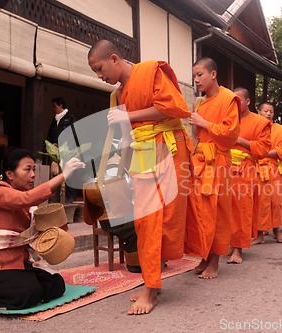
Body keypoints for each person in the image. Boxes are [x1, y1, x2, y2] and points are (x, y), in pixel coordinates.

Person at [88, 39, 192, 315]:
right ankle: (152, 284)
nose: (101, 77)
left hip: (167, 148)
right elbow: (127, 130)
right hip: (143, 153)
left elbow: (174, 108)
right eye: (95, 73)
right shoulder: (119, 94)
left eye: (100, 69)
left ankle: (151, 288)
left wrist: (128, 116)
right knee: (147, 219)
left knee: (159, 217)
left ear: (113, 58)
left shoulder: (149, 71)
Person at [0, 149, 85, 310]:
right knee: (28, 294)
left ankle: (11, 291)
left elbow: (35, 222)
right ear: (10, 174)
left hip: (15, 263)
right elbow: (26, 199)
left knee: (56, 285)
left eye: (34, 169)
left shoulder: (25, 198)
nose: (33, 174)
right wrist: (63, 176)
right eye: (27, 169)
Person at [185, 57, 240, 279]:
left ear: (213, 74)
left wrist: (204, 123)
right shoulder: (199, 103)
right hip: (199, 163)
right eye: (194, 76)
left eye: (200, 75)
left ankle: (215, 261)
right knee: (200, 212)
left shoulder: (229, 99)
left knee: (217, 212)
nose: (196, 80)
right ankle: (204, 256)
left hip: (218, 162)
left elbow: (231, 134)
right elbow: (195, 136)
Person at [227, 87, 271, 264]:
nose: (236, 104)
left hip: (246, 169)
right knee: (226, 209)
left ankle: (238, 249)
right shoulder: (228, 119)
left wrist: (240, 140)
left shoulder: (259, 122)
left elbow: (263, 149)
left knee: (242, 208)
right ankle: (229, 243)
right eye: (233, 100)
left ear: (248, 102)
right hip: (225, 168)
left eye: (239, 100)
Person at [252, 103, 282, 244]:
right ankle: (259, 234)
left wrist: (263, 152)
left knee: (276, 202)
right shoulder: (254, 128)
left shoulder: (280, 130)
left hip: (273, 170)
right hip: (257, 169)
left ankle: (276, 231)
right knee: (260, 203)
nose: (268, 114)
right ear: (259, 112)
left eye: (271, 111)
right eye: (265, 111)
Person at [45, 97, 78, 203]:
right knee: (56, 174)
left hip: (67, 152)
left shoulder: (70, 118)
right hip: (56, 153)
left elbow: (74, 135)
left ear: (60, 105)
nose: (53, 109)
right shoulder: (55, 120)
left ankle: (70, 199)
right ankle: (55, 199)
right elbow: (50, 136)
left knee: (69, 175)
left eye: (54, 106)